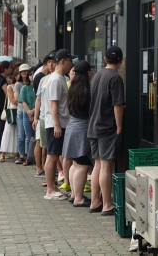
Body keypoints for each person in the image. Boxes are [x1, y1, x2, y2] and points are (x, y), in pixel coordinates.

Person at [87, 46, 125, 215]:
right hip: (106, 127)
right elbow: (118, 106)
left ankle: (95, 201)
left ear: (105, 59)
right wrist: (119, 126)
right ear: (121, 61)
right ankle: (107, 204)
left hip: (93, 125)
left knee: (97, 164)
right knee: (106, 166)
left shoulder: (96, 76)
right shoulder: (115, 78)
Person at [43, 49, 76, 200]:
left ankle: (53, 187)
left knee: (55, 155)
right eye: (70, 61)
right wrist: (57, 125)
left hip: (60, 122)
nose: (72, 64)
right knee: (52, 156)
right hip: (56, 123)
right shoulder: (56, 79)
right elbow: (53, 104)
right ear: (62, 61)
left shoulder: (59, 78)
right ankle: (50, 189)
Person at [61, 61, 94, 207]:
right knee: (82, 165)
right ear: (87, 73)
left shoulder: (72, 88)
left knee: (75, 164)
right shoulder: (87, 90)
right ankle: (79, 198)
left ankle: (74, 194)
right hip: (82, 128)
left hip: (72, 127)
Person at [32, 51, 56, 177]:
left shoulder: (63, 78)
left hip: (55, 118)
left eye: (54, 62)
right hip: (43, 117)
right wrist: (35, 118)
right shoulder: (42, 79)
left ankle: (49, 172)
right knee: (41, 143)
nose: (51, 65)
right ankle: (40, 169)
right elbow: (38, 99)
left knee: (50, 148)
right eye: (49, 63)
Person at [0, 70, 19, 162]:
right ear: (14, 76)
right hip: (12, 112)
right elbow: (13, 101)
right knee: (8, 132)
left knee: (18, 134)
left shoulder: (24, 85)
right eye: (17, 74)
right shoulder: (10, 87)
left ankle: (17, 154)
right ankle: (3, 154)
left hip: (20, 111)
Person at [19, 68, 36, 166]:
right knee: (29, 137)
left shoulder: (38, 87)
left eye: (33, 74)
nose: (31, 76)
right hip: (26, 114)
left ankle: (36, 157)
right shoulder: (25, 88)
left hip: (37, 113)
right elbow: (23, 101)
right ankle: (29, 157)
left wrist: (34, 111)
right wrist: (29, 111)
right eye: (30, 74)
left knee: (37, 138)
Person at [13, 64, 30, 164]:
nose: (25, 73)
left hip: (31, 112)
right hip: (21, 112)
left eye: (26, 71)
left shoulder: (31, 83)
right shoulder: (18, 84)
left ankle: (29, 155)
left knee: (29, 136)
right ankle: (21, 155)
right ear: (19, 73)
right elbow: (17, 99)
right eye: (23, 71)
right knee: (21, 135)